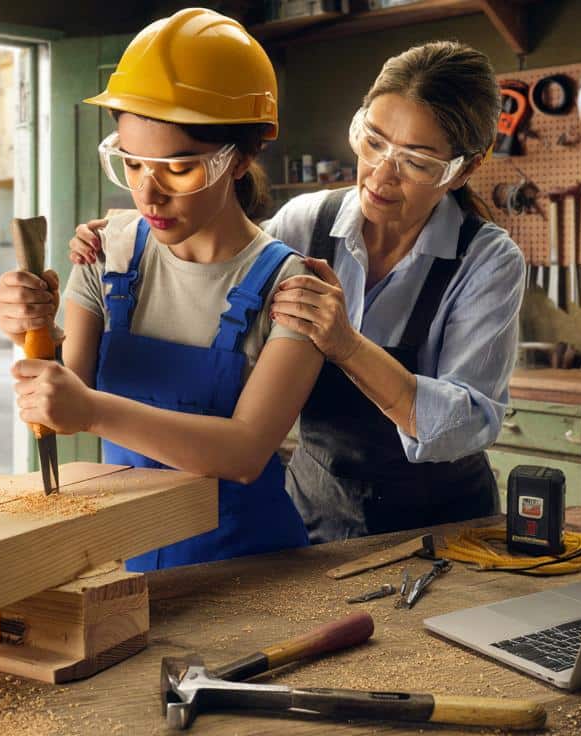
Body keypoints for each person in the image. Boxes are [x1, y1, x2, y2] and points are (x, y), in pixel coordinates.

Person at [68, 41, 525, 543]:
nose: (381, 174)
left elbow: (466, 423)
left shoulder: (486, 260)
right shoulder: (305, 224)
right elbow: (220, 264)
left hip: (445, 523)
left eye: (416, 161)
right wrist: (125, 242)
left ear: (466, 167)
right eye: (373, 142)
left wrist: (347, 346)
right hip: (317, 511)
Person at [0, 8, 324, 570]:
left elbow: (244, 452)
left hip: (251, 573)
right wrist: (31, 331)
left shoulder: (293, 289)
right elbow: (66, 392)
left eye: (178, 169)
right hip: (126, 559)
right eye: (132, 163)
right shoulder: (106, 253)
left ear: (240, 157)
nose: (148, 195)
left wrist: (91, 411)